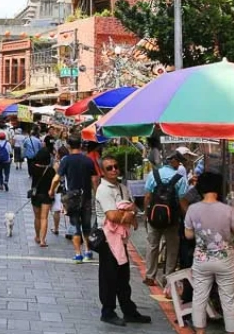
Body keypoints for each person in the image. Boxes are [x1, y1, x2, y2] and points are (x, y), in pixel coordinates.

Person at [184, 172, 234, 334]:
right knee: (228, 300)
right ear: (219, 187)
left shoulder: (192, 209)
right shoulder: (228, 210)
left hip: (202, 259)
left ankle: (200, 332)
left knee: (199, 297)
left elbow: (188, 235)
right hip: (225, 260)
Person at [95, 156, 151, 327]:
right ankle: (108, 311)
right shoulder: (104, 190)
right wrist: (128, 215)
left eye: (115, 166)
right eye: (109, 168)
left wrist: (129, 214)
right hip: (107, 239)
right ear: (103, 172)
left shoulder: (122, 187)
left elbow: (133, 208)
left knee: (122, 276)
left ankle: (128, 310)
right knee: (109, 276)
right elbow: (112, 215)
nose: (113, 170)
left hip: (121, 239)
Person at [143, 150, 190, 286]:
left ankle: (150, 276)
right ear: (173, 161)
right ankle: (168, 278)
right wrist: (186, 216)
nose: (179, 165)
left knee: (152, 245)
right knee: (172, 247)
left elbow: (147, 196)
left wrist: (147, 213)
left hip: (154, 217)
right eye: (178, 162)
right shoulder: (180, 178)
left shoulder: (154, 174)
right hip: (172, 219)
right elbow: (182, 201)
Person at [50, 137, 98, 263]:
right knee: (86, 226)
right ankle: (88, 251)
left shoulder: (66, 161)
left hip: (72, 198)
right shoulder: (88, 160)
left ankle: (78, 254)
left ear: (69, 146)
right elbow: (94, 180)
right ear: (81, 146)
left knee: (75, 225)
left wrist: (51, 191)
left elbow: (56, 179)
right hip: (86, 197)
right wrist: (96, 194)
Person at [31, 136, 55, 248]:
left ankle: (36, 236)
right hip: (46, 195)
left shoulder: (33, 168)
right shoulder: (50, 170)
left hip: (35, 194)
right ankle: (42, 240)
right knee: (44, 217)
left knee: (36, 217)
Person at [50, 146, 69, 236]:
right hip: (68, 188)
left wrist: (51, 189)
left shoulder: (57, 164)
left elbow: (54, 177)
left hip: (58, 188)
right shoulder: (70, 162)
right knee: (68, 210)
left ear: (59, 154)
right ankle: (70, 230)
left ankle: (56, 228)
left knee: (57, 210)